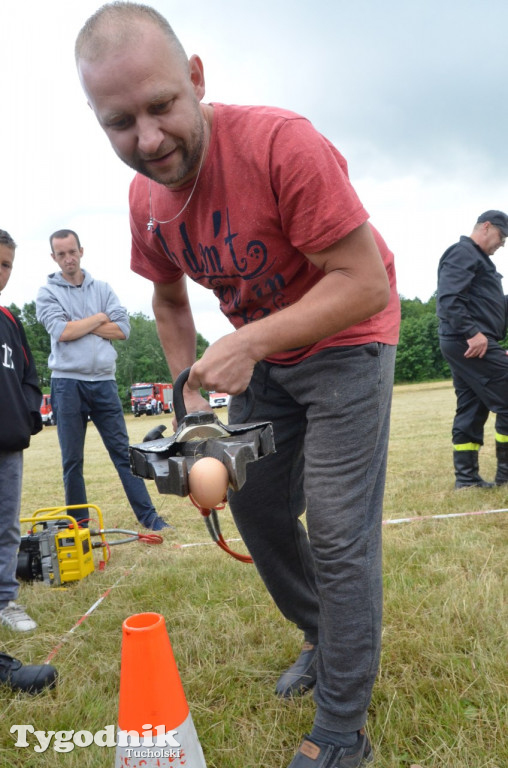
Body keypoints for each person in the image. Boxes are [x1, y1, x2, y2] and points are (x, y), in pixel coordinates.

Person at [75, 5, 400, 767]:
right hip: (268, 361)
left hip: (348, 341)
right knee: (249, 501)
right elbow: (166, 297)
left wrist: (246, 341)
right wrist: (191, 401)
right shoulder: (144, 201)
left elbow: (367, 283)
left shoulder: (280, 143)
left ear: (195, 77)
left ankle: (341, 725)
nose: (149, 140)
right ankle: (323, 634)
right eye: (121, 122)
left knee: (339, 527)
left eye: (160, 107)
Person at [35, 229, 169, 531]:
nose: (68, 259)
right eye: (61, 254)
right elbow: (62, 332)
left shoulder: (103, 288)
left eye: (72, 252)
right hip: (67, 384)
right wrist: (98, 318)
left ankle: (150, 518)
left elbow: (123, 329)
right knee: (72, 461)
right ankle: (79, 525)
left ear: (81, 250)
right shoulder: (47, 293)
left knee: (124, 455)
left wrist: (80, 324)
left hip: (105, 382)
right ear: (53, 257)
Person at [437, 210, 508, 489]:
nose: (502, 244)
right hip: (470, 340)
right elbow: (449, 298)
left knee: (472, 406)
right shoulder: (463, 252)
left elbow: (491, 304)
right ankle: (505, 476)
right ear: (487, 227)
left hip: (465, 341)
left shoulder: (481, 261)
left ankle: (466, 480)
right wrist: (472, 333)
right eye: (502, 236)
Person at [0, 229, 42, 633]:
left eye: (6, 264)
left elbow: (30, 376)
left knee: (7, 524)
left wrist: (27, 415)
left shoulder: (10, 320)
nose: (1, 271)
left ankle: (5, 599)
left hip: (7, 444)